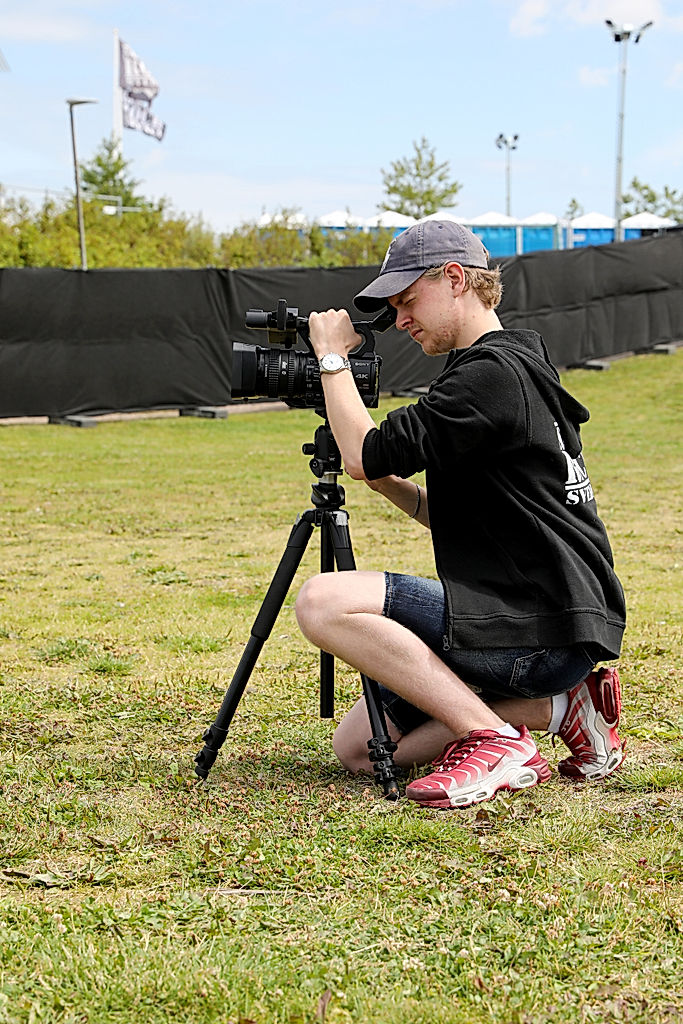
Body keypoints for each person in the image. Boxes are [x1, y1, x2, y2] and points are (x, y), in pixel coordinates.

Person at [295, 219, 626, 810]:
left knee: (323, 601)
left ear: (454, 279)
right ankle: (562, 709)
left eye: (406, 300)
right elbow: (452, 512)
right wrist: (384, 484)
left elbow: (364, 449)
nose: (399, 320)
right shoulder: (515, 364)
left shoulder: (491, 377)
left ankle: (497, 741)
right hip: (550, 621)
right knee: (360, 749)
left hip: (537, 624)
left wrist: (330, 357)